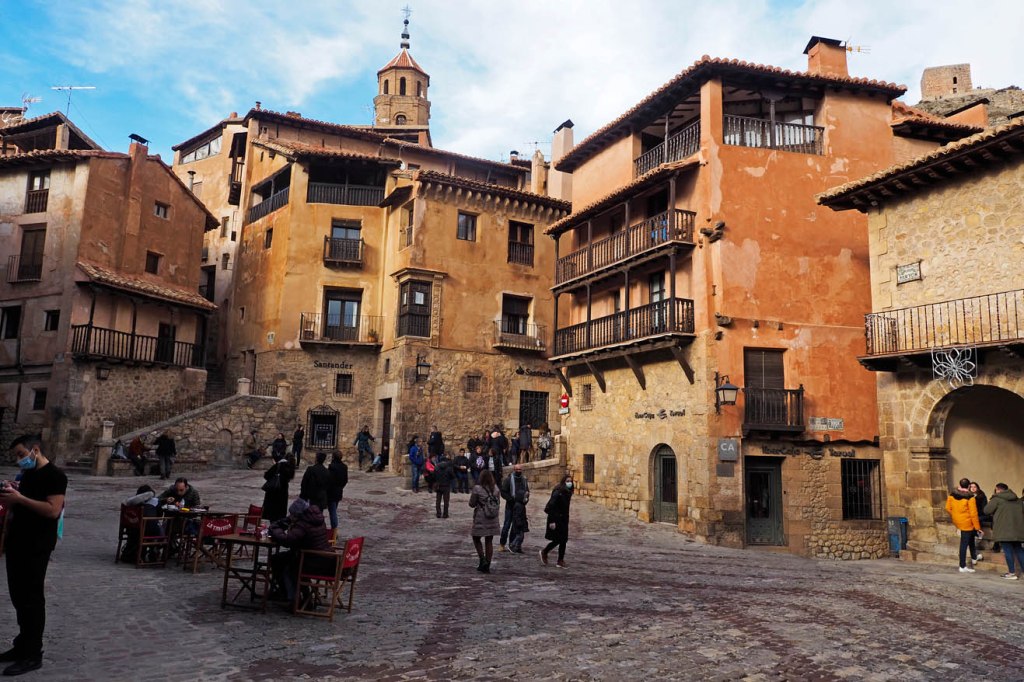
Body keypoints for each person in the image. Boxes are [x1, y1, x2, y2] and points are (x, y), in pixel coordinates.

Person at [0, 434, 67, 676]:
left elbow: (52, 510)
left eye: (21, 454)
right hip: (17, 542)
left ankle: (33, 654)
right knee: (18, 597)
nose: (19, 459)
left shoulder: (55, 476)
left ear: (35, 450)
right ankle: (22, 645)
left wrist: (20, 498)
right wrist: (13, 494)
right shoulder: (28, 474)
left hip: (37, 545)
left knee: (32, 600)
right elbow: (25, 502)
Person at [268, 498, 331, 605]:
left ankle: (294, 600)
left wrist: (276, 530)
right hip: (321, 558)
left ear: (297, 515)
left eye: (292, 515)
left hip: (312, 560)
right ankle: (285, 592)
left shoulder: (303, 524)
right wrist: (286, 522)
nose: (290, 516)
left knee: (289, 568)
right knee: (277, 559)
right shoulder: (314, 518)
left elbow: (287, 541)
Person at [983, 483, 1024, 580]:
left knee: (1008, 551)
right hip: (1017, 530)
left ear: (997, 489)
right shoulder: (1018, 500)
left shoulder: (996, 499)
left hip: (1004, 530)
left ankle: (1011, 573)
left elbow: (986, 511)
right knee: (1019, 550)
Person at [945, 477, 982, 573]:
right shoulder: (970, 497)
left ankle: (974, 557)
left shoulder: (952, 495)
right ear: (969, 486)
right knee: (964, 544)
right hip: (967, 522)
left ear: (960, 485)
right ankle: (962, 566)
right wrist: (977, 527)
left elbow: (947, 508)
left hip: (958, 521)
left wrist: (956, 515)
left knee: (970, 539)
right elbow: (973, 514)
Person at [120, 484, 164, 562]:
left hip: (131, 529)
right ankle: (154, 551)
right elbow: (159, 515)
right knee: (161, 529)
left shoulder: (131, 503)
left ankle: (136, 553)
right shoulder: (154, 501)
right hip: (146, 531)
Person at [469, 470, 501, 573]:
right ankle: (487, 563)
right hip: (493, 518)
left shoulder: (477, 489)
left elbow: (471, 504)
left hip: (481, 517)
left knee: (476, 537)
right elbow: (498, 502)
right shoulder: (496, 489)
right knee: (489, 540)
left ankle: (482, 559)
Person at [540, 474, 574, 569]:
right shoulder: (558, 491)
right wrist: (552, 521)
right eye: (567, 481)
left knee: (563, 540)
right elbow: (551, 506)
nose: (569, 483)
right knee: (558, 539)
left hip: (564, 519)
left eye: (570, 481)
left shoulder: (567, 492)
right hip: (556, 518)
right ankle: (545, 551)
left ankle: (560, 560)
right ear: (563, 482)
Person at [501, 464, 530, 553]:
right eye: (517, 469)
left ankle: (512, 544)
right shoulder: (508, 480)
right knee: (507, 525)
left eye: (520, 469)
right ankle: (502, 544)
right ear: (514, 470)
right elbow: (503, 492)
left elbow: (527, 492)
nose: (519, 471)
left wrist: (525, 500)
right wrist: (511, 499)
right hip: (510, 506)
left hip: (519, 507)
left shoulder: (524, 480)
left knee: (516, 527)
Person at [261, 454, 295, 523]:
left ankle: (272, 525)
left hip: (273, 490)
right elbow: (290, 477)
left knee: (272, 513)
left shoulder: (279, 464)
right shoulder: (290, 467)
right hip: (283, 491)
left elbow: (267, 475)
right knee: (280, 513)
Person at [326, 451, 349, 532]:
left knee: (332, 511)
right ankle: (334, 530)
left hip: (331, 491)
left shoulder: (332, 466)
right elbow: (345, 480)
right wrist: (340, 487)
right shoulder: (344, 467)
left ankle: (334, 530)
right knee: (334, 509)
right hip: (339, 490)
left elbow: (329, 480)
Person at [433, 452, 455, 518]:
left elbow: (433, 476)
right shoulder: (448, 467)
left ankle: (438, 513)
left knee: (438, 500)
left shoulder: (436, 467)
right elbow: (453, 476)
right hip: (446, 485)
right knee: (446, 501)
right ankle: (445, 514)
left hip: (439, 485)